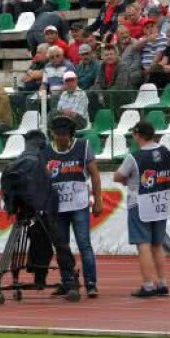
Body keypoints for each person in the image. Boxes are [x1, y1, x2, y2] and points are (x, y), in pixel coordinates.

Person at [0, 130, 80, 301]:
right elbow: (45, 190)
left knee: (39, 237)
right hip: (43, 210)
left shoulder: (16, 163)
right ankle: (68, 279)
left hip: (26, 210)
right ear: (41, 144)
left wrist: (12, 206)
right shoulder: (38, 160)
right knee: (59, 243)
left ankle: (34, 277)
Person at [45, 114, 102, 299]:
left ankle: (91, 284)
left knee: (84, 244)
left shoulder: (83, 147)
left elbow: (95, 174)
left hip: (79, 205)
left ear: (70, 134)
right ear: (52, 133)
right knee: (62, 246)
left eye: (64, 135)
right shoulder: (46, 151)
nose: (61, 138)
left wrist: (98, 200)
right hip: (57, 208)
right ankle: (67, 282)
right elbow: (43, 179)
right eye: (58, 135)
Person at [115, 120, 170, 298]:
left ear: (137, 135)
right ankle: (162, 283)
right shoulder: (166, 152)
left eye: (133, 134)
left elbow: (118, 176)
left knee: (144, 245)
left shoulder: (134, 156)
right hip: (161, 200)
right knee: (157, 244)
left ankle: (148, 285)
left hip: (140, 202)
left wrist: (128, 179)